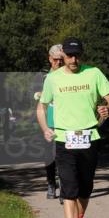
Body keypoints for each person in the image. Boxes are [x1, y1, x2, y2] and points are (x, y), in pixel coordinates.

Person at [37, 37, 109, 218]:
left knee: (85, 188)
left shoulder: (94, 73)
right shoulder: (53, 79)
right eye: (69, 55)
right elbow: (41, 107)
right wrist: (45, 128)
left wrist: (106, 108)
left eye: (77, 55)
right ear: (62, 55)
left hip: (90, 138)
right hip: (64, 139)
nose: (73, 59)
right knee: (69, 188)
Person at [37, 44, 65, 199]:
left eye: (61, 60)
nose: (59, 63)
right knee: (50, 156)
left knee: (64, 157)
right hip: (48, 122)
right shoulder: (44, 78)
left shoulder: (69, 76)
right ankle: (51, 184)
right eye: (55, 60)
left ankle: (64, 188)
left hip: (65, 122)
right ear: (50, 59)